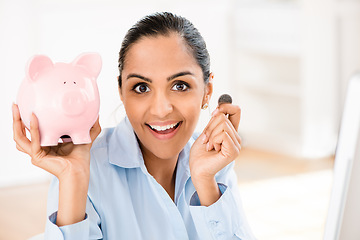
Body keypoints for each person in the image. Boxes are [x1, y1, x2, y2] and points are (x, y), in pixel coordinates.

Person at [12, 12, 255, 240]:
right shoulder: (84, 167)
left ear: (207, 90)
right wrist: (73, 178)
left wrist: (205, 182)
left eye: (180, 85)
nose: (161, 109)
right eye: (142, 88)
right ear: (121, 91)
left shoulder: (214, 161)